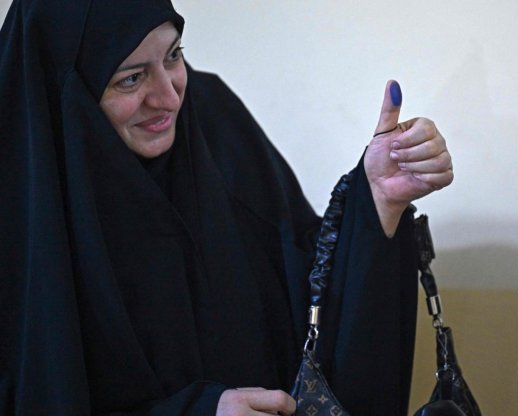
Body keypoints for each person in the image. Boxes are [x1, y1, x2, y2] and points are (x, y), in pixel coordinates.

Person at [0, 0, 453, 415]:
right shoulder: (24, 209)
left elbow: (302, 280)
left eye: (174, 55)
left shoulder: (211, 120)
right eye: (131, 78)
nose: (170, 96)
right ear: (68, 93)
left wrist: (376, 201)